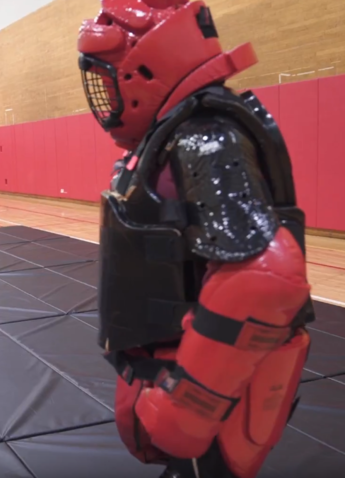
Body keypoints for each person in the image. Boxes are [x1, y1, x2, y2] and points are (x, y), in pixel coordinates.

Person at [77, 1, 313, 477]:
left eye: (109, 79)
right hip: (185, 366)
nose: (104, 97)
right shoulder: (182, 132)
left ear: (145, 70)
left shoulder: (207, 135)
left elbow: (265, 279)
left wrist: (189, 405)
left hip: (214, 399)